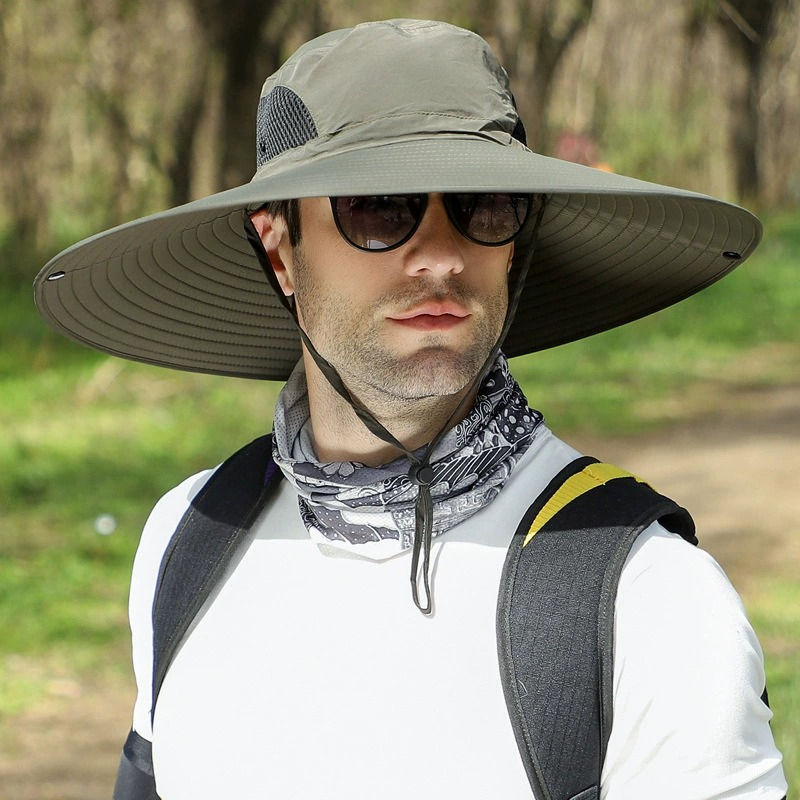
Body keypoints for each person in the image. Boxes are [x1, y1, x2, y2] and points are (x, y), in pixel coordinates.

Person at [35, 19, 787, 800]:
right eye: (380, 207)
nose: (440, 256)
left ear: (514, 243)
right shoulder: (188, 540)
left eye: (482, 206)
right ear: (278, 247)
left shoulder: (648, 599)